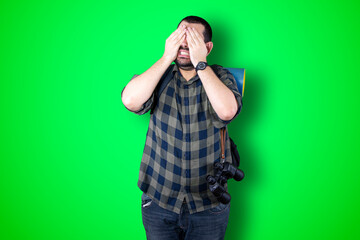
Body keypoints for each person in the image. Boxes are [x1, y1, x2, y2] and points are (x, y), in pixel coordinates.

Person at [121, 16, 242, 240]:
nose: (184, 46)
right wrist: (167, 57)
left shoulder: (220, 76)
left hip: (208, 204)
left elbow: (227, 111)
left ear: (207, 47)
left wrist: (201, 63)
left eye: (192, 40)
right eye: (180, 39)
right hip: (158, 201)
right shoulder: (159, 75)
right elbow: (130, 101)